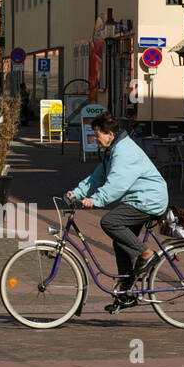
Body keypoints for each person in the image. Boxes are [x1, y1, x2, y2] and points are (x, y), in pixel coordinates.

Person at [68, 111, 170, 313]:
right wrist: (77, 193)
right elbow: (97, 178)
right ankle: (127, 293)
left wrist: (96, 200)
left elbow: (116, 184)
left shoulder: (124, 152)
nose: (94, 139)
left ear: (110, 135)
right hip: (138, 199)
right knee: (120, 241)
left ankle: (147, 254)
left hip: (149, 200)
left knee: (110, 222)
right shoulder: (113, 150)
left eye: (97, 134)